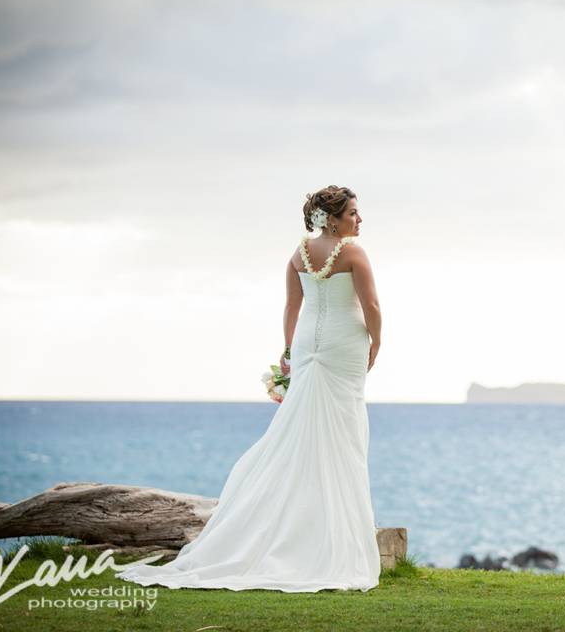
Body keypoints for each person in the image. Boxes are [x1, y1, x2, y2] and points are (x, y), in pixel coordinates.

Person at [116, 185, 383, 593]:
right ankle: (327, 542)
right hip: (344, 345)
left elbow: (291, 308)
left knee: (302, 435)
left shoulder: (299, 254)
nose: (359, 220)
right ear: (331, 218)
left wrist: (290, 351)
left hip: (310, 343)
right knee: (342, 436)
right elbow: (372, 308)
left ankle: (291, 530)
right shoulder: (354, 254)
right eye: (353, 213)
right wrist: (377, 343)